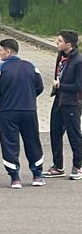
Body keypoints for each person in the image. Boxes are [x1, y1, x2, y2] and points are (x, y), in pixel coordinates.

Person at [0, 39, 45, 188]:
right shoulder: (31, 67)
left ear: (8, 52)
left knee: (10, 143)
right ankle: (37, 176)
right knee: (33, 141)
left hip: (8, 112)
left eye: (1, 50)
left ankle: (15, 178)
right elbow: (40, 86)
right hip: (29, 111)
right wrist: (29, 97)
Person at [45, 29, 82, 179]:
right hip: (59, 100)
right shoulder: (61, 56)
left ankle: (78, 165)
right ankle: (58, 166)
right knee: (55, 133)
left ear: (69, 44)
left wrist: (60, 85)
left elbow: (78, 86)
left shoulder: (78, 61)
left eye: (60, 41)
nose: (57, 43)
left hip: (72, 103)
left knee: (74, 135)